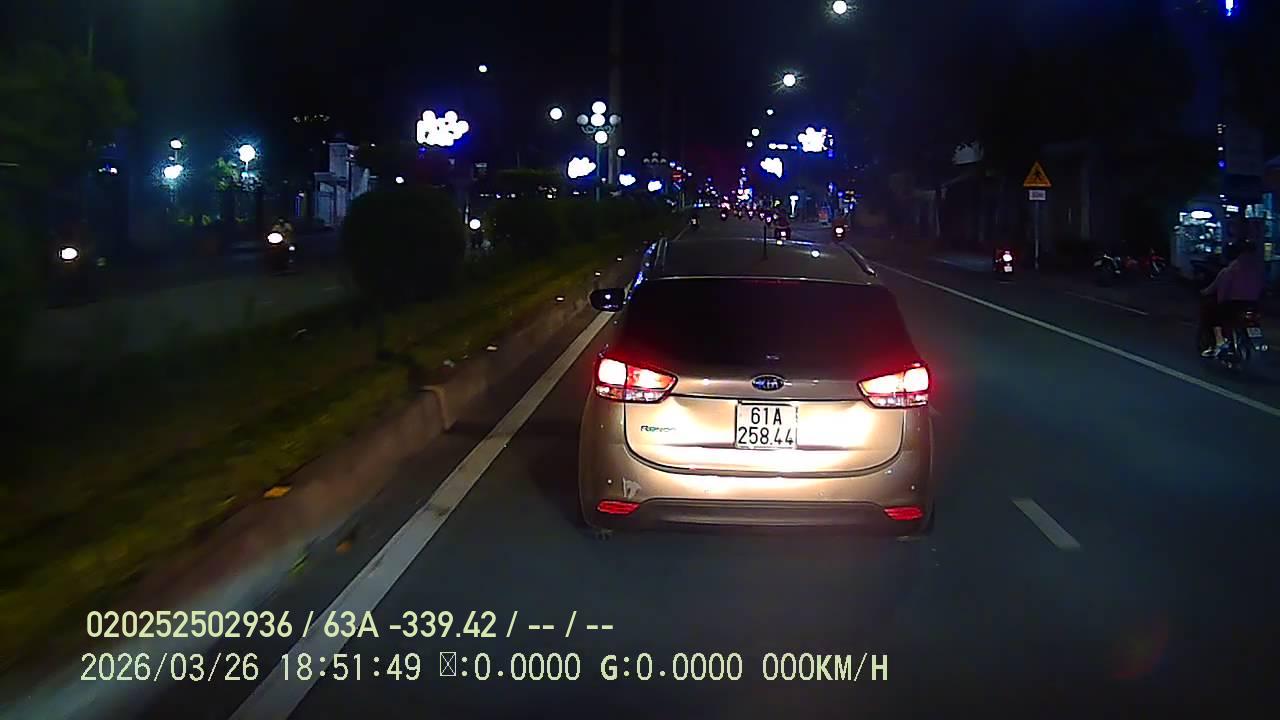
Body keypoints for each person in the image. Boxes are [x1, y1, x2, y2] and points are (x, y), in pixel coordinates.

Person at [1200, 240, 1264, 356]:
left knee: (1212, 314)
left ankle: (1220, 341)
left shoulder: (1230, 269)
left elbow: (1218, 289)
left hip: (1234, 304)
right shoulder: (1257, 268)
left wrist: (1205, 293)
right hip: (1253, 303)